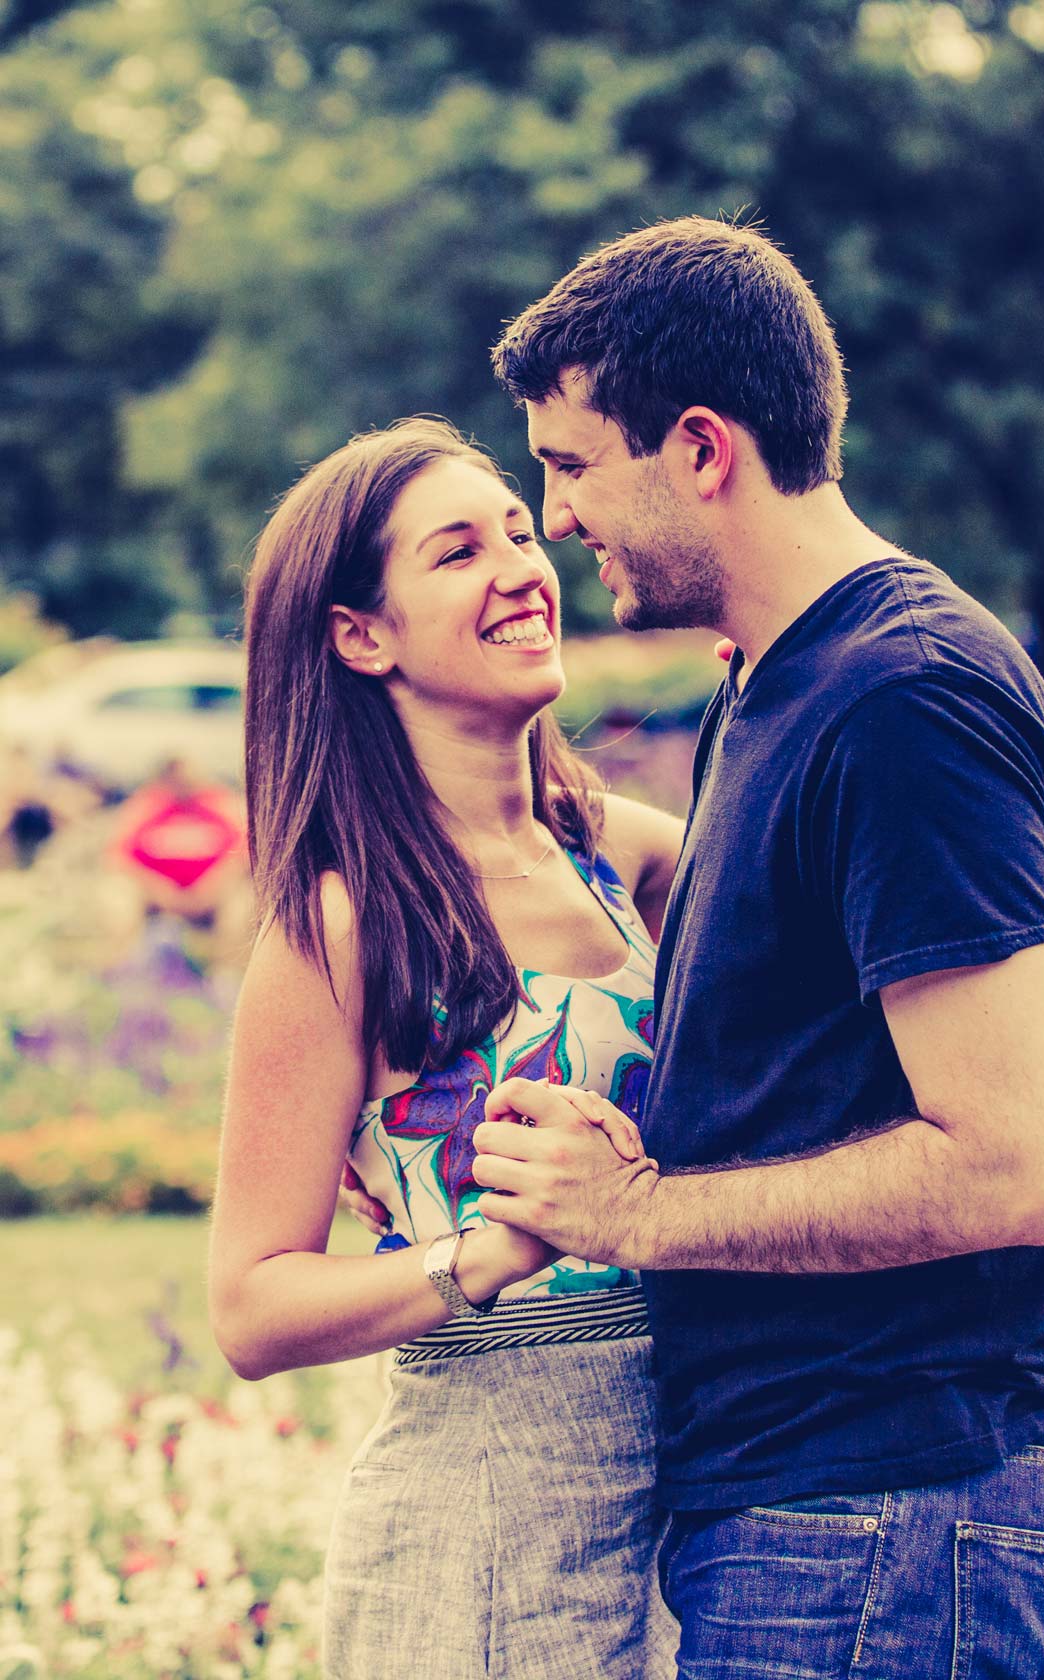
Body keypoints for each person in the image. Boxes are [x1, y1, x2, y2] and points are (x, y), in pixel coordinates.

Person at [467, 216, 1044, 1679]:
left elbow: (1012, 1163)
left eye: (571, 466)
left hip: (889, 1500)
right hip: (828, 1504)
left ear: (702, 448)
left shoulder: (902, 704)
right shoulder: (785, 684)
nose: (556, 518)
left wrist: (637, 1213)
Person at [207, 418, 684, 1679]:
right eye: (459, 552)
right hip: (480, 1518)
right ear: (363, 636)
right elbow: (251, 1304)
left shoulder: (634, 857)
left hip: (692, 1492)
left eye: (521, 532)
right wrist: (482, 1252)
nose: (522, 569)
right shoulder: (340, 926)